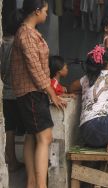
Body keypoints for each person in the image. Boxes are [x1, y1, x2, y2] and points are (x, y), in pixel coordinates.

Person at [10, 0, 67, 187]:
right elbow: (35, 68)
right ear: (36, 11)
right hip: (31, 92)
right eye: (45, 11)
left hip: (32, 91)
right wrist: (52, 93)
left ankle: (32, 182)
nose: (46, 14)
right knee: (45, 137)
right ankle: (40, 184)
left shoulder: (30, 33)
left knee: (31, 136)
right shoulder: (26, 34)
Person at [0, 10, 25, 173]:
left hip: (6, 91)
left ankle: (10, 158)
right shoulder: (17, 43)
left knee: (9, 128)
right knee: (16, 129)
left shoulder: (3, 43)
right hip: (17, 91)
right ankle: (12, 160)